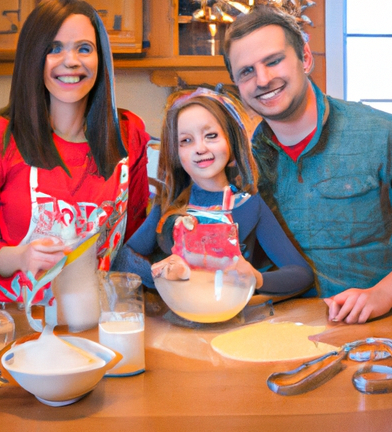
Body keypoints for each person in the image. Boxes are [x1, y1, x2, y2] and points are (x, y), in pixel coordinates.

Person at [222, 5, 392, 324]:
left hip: (386, 330)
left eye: (274, 61)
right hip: (282, 332)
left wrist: (385, 292)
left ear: (305, 58)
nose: (263, 79)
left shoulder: (388, 135)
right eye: (246, 71)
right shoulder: (240, 164)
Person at [0, 0, 150, 304]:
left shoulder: (128, 134)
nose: (71, 61)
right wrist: (20, 256)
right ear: (33, 57)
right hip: (22, 329)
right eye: (54, 49)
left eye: (84, 48)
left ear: (101, 59)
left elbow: (137, 239)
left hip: (105, 322)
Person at [112, 87, 314, 298]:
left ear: (232, 143)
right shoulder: (167, 206)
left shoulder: (248, 205)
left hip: (236, 323)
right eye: (186, 140)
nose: (200, 148)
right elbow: (122, 259)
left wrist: (256, 278)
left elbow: (301, 274)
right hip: (177, 324)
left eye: (211, 136)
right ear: (175, 153)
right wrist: (161, 277)